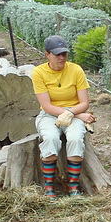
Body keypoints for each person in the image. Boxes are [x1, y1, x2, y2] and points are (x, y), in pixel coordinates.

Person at [31, 35, 96, 198]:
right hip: (50, 115)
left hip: (74, 113)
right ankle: (49, 187)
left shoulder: (76, 70)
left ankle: (73, 187)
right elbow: (47, 106)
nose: (62, 57)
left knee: (75, 138)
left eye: (64, 54)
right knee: (51, 138)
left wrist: (74, 114)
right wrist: (80, 115)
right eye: (57, 54)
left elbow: (84, 102)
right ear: (47, 54)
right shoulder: (38, 72)